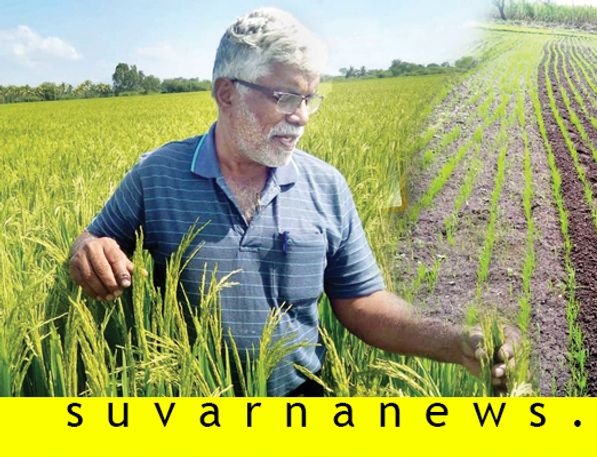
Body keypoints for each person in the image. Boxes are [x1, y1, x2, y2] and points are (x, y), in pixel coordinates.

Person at [68, 7, 520, 396]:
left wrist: (455, 342)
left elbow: (362, 301)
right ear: (227, 92)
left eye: (308, 98)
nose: (300, 116)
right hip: (189, 395)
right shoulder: (158, 174)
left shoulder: (326, 186)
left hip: (303, 396)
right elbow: (96, 240)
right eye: (284, 96)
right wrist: (87, 248)